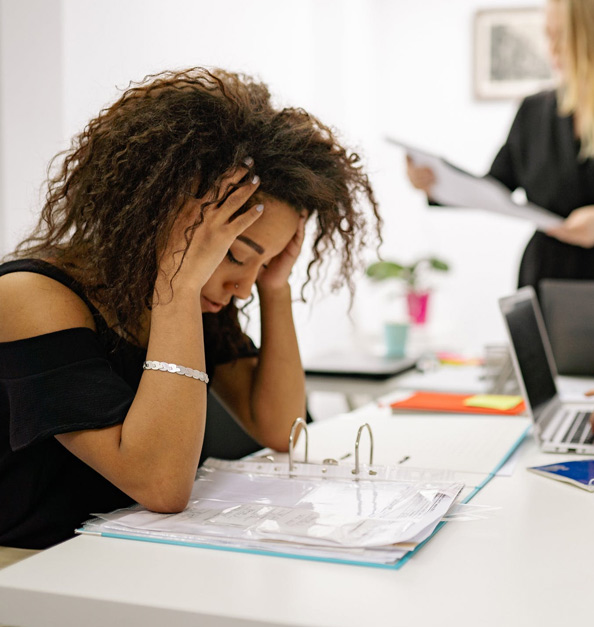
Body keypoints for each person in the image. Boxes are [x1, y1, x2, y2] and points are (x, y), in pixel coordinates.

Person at [0, 67, 381, 550]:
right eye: (237, 254)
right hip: (31, 570)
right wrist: (177, 289)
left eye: (261, 264)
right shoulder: (30, 297)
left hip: (131, 556)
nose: (242, 287)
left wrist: (275, 286)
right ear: (165, 215)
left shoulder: (202, 300)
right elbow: (161, 485)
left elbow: (282, 430)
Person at [407, 0, 594, 295]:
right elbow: (495, 188)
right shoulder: (534, 111)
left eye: (562, 36)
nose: (551, 49)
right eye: (548, 35)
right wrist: (435, 184)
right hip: (546, 279)